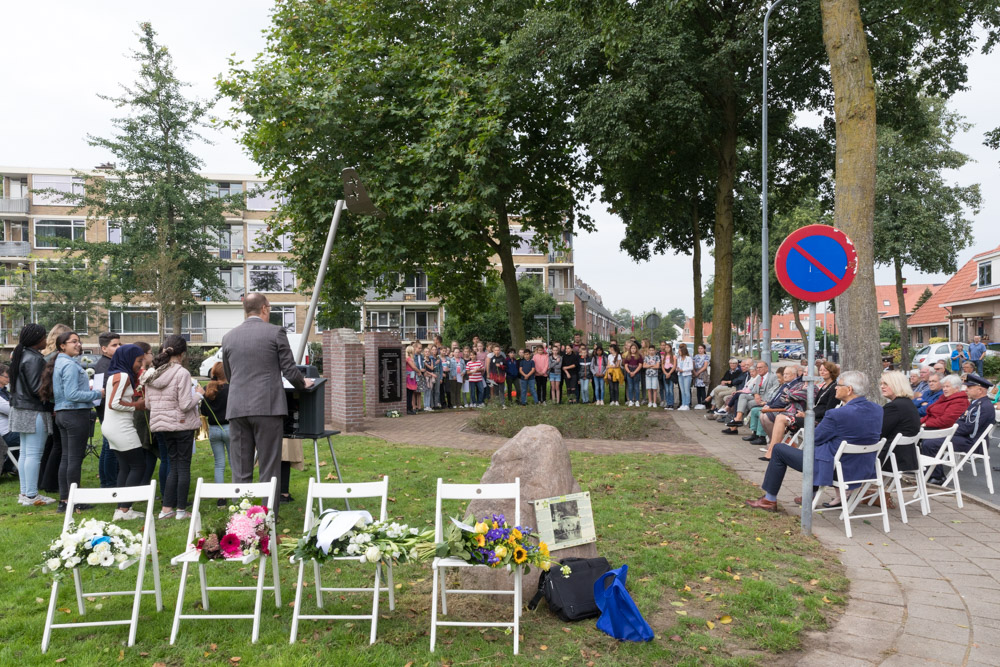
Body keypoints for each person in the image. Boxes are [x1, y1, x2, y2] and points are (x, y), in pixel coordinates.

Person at [221, 294, 310, 515]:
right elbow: (290, 371)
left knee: (240, 468)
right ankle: (267, 518)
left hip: (237, 408)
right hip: (268, 408)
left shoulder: (229, 337)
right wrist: (303, 383)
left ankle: (241, 520)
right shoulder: (275, 332)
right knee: (269, 466)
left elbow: (230, 374)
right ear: (264, 308)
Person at [745, 371, 883, 512]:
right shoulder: (877, 410)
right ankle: (810, 495)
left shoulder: (837, 414)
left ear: (849, 389)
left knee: (779, 449)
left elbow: (814, 439)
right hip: (863, 468)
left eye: (838, 385)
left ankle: (769, 499)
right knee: (823, 449)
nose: (835, 387)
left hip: (835, 469)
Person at [40, 330, 104, 514]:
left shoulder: (61, 362)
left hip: (62, 413)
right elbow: (72, 394)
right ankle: (73, 501)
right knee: (73, 459)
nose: (78, 344)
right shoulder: (68, 365)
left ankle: (65, 500)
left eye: (79, 341)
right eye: (73, 341)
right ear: (62, 345)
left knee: (67, 458)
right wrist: (96, 393)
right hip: (74, 414)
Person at [143, 335, 203, 520]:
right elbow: (185, 404)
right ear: (183, 353)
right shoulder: (181, 373)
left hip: (162, 425)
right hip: (182, 425)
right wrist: (199, 395)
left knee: (172, 464)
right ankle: (181, 510)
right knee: (182, 466)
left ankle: (166, 509)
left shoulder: (152, 373)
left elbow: (148, 404)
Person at [8, 324, 56, 507]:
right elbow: (38, 389)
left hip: (21, 409)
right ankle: (31, 494)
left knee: (26, 453)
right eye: (44, 337)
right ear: (36, 339)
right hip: (33, 410)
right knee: (34, 454)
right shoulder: (34, 358)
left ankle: (25, 493)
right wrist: (54, 395)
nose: (46, 340)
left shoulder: (21, 355)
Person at [921, 374, 996, 484]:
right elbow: (961, 421)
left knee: (930, 443)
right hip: (966, 438)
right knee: (929, 440)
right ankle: (931, 473)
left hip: (972, 442)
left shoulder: (983, 406)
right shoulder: (976, 403)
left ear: (980, 390)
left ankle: (937, 477)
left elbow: (970, 429)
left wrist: (949, 433)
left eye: (970, 388)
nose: (966, 390)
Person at [102, 344, 148, 521]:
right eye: (138, 360)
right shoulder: (122, 376)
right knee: (138, 465)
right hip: (120, 427)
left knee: (125, 467)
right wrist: (137, 405)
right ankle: (124, 510)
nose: (140, 364)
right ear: (128, 359)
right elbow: (113, 403)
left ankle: (121, 510)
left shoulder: (116, 374)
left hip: (113, 427)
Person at [878, 370, 922, 475]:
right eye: (881, 384)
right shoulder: (908, 403)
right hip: (906, 456)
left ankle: (849, 490)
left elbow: (879, 432)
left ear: (896, 385)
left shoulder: (894, 406)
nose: (882, 387)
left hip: (891, 458)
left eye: (886, 384)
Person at [93, 331, 122, 489]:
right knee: (110, 448)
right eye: (114, 345)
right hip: (108, 412)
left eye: (119, 344)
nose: (118, 347)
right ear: (104, 349)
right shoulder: (104, 365)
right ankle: (110, 482)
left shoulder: (108, 363)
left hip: (107, 412)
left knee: (108, 447)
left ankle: (108, 481)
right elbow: (103, 392)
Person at [201, 362, 231, 491]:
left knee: (219, 464)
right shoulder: (230, 389)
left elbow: (203, 412)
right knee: (234, 463)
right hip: (230, 428)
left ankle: (221, 497)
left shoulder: (207, 390)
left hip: (214, 429)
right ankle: (238, 496)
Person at [0, 364, 16, 475]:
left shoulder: (5, 391)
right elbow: (11, 411)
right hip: (6, 433)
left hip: (11, 429)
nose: (9, 379)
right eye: (7, 376)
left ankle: (9, 467)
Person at [676, 343, 694, 410]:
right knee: (682, 390)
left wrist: (683, 370)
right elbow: (678, 366)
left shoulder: (688, 358)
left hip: (687, 375)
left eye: (680, 351)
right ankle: (683, 404)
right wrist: (677, 369)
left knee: (686, 390)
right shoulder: (679, 358)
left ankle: (687, 404)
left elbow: (691, 367)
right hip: (680, 375)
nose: (679, 352)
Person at [623, 342, 642, 407]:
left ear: (636, 349)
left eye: (634, 348)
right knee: (630, 387)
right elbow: (626, 365)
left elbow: (640, 365)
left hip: (636, 372)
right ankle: (630, 400)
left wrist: (634, 372)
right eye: (632, 348)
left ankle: (637, 400)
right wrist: (629, 372)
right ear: (630, 349)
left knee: (636, 387)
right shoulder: (628, 356)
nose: (633, 350)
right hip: (629, 372)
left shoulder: (639, 356)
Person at [692, 344, 710, 408]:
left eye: (701, 348)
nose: (700, 350)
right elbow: (693, 365)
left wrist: (698, 372)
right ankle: (698, 402)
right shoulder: (695, 356)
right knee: (698, 389)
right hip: (696, 372)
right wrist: (694, 372)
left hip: (702, 373)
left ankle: (703, 403)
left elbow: (705, 366)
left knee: (702, 389)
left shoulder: (706, 357)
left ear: (704, 349)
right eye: (699, 348)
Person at [660, 344, 675, 409]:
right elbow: (662, 366)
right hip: (665, 373)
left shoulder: (673, 356)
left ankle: (671, 403)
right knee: (666, 389)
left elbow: (674, 366)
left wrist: (669, 373)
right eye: (665, 348)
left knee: (670, 389)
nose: (667, 349)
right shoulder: (663, 357)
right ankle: (667, 403)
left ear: (670, 348)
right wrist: (665, 373)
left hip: (671, 373)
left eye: (668, 347)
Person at [405, 345, 419, 415]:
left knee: (410, 394)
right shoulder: (408, 359)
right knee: (409, 394)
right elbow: (413, 367)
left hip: (411, 377)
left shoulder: (410, 358)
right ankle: (408, 408)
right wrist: (418, 371)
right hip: (409, 377)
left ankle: (409, 408)